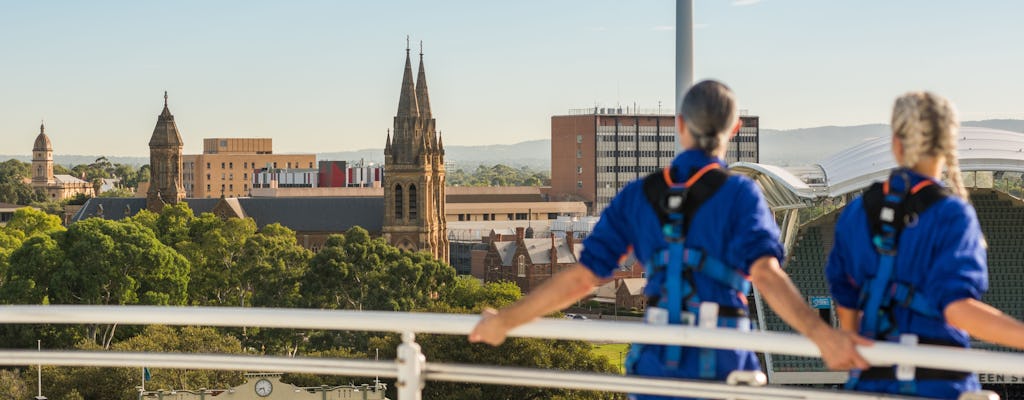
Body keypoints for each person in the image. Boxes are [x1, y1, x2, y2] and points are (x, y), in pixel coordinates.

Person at [470, 80, 869, 400]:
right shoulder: (741, 196)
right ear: (734, 130)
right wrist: (822, 337)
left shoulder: (639, 195)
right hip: (723, 362)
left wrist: (505, 320)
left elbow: (582, 278)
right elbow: (766, 277)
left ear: (680, 126)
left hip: (657, 364)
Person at [825, 91, 1024, 399]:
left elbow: (846, 301)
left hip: (869, 381)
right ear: (948, 145)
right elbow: (957, 310)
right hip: (940, 382)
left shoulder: (855, 213)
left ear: (896, 143)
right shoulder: (952, 214)